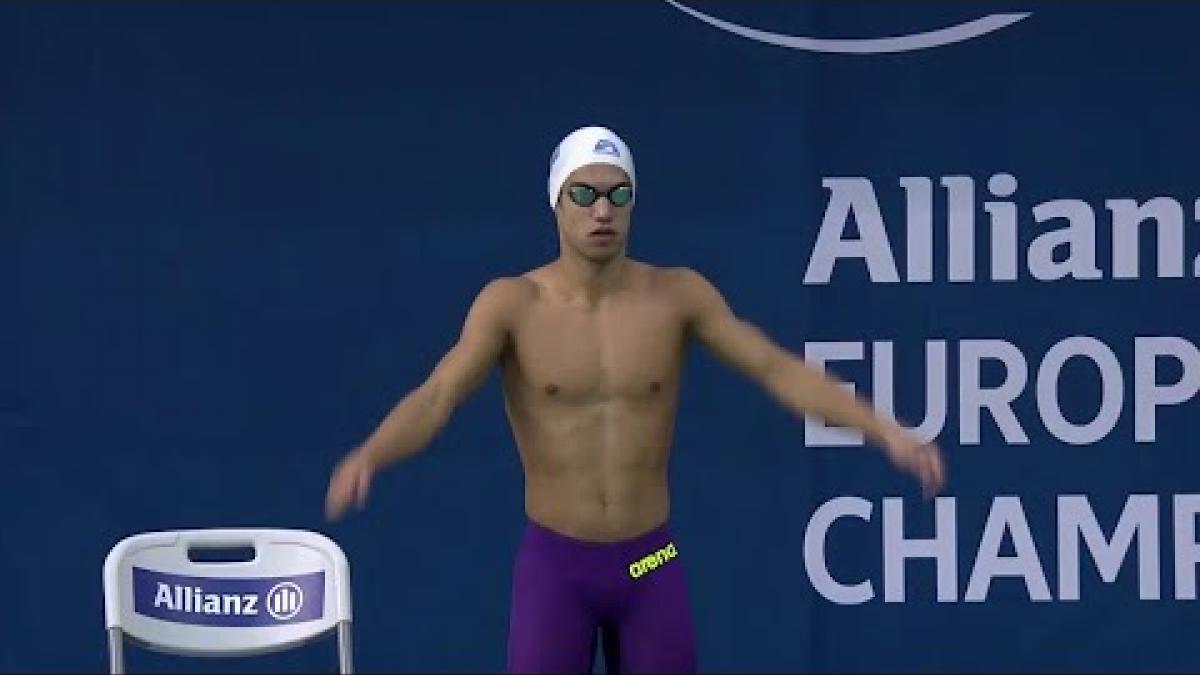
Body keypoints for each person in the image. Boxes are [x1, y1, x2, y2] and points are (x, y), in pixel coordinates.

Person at [324, 125, 946, 673]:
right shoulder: (513, 305)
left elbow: (775, 368)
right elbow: (438, 396)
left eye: (618, 194)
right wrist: (372, 454)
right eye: (585, 194)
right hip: (557, 567)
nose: (603, 211)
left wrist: (882, 428)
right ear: (557, 204)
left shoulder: (677, 297)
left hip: (650, 560)